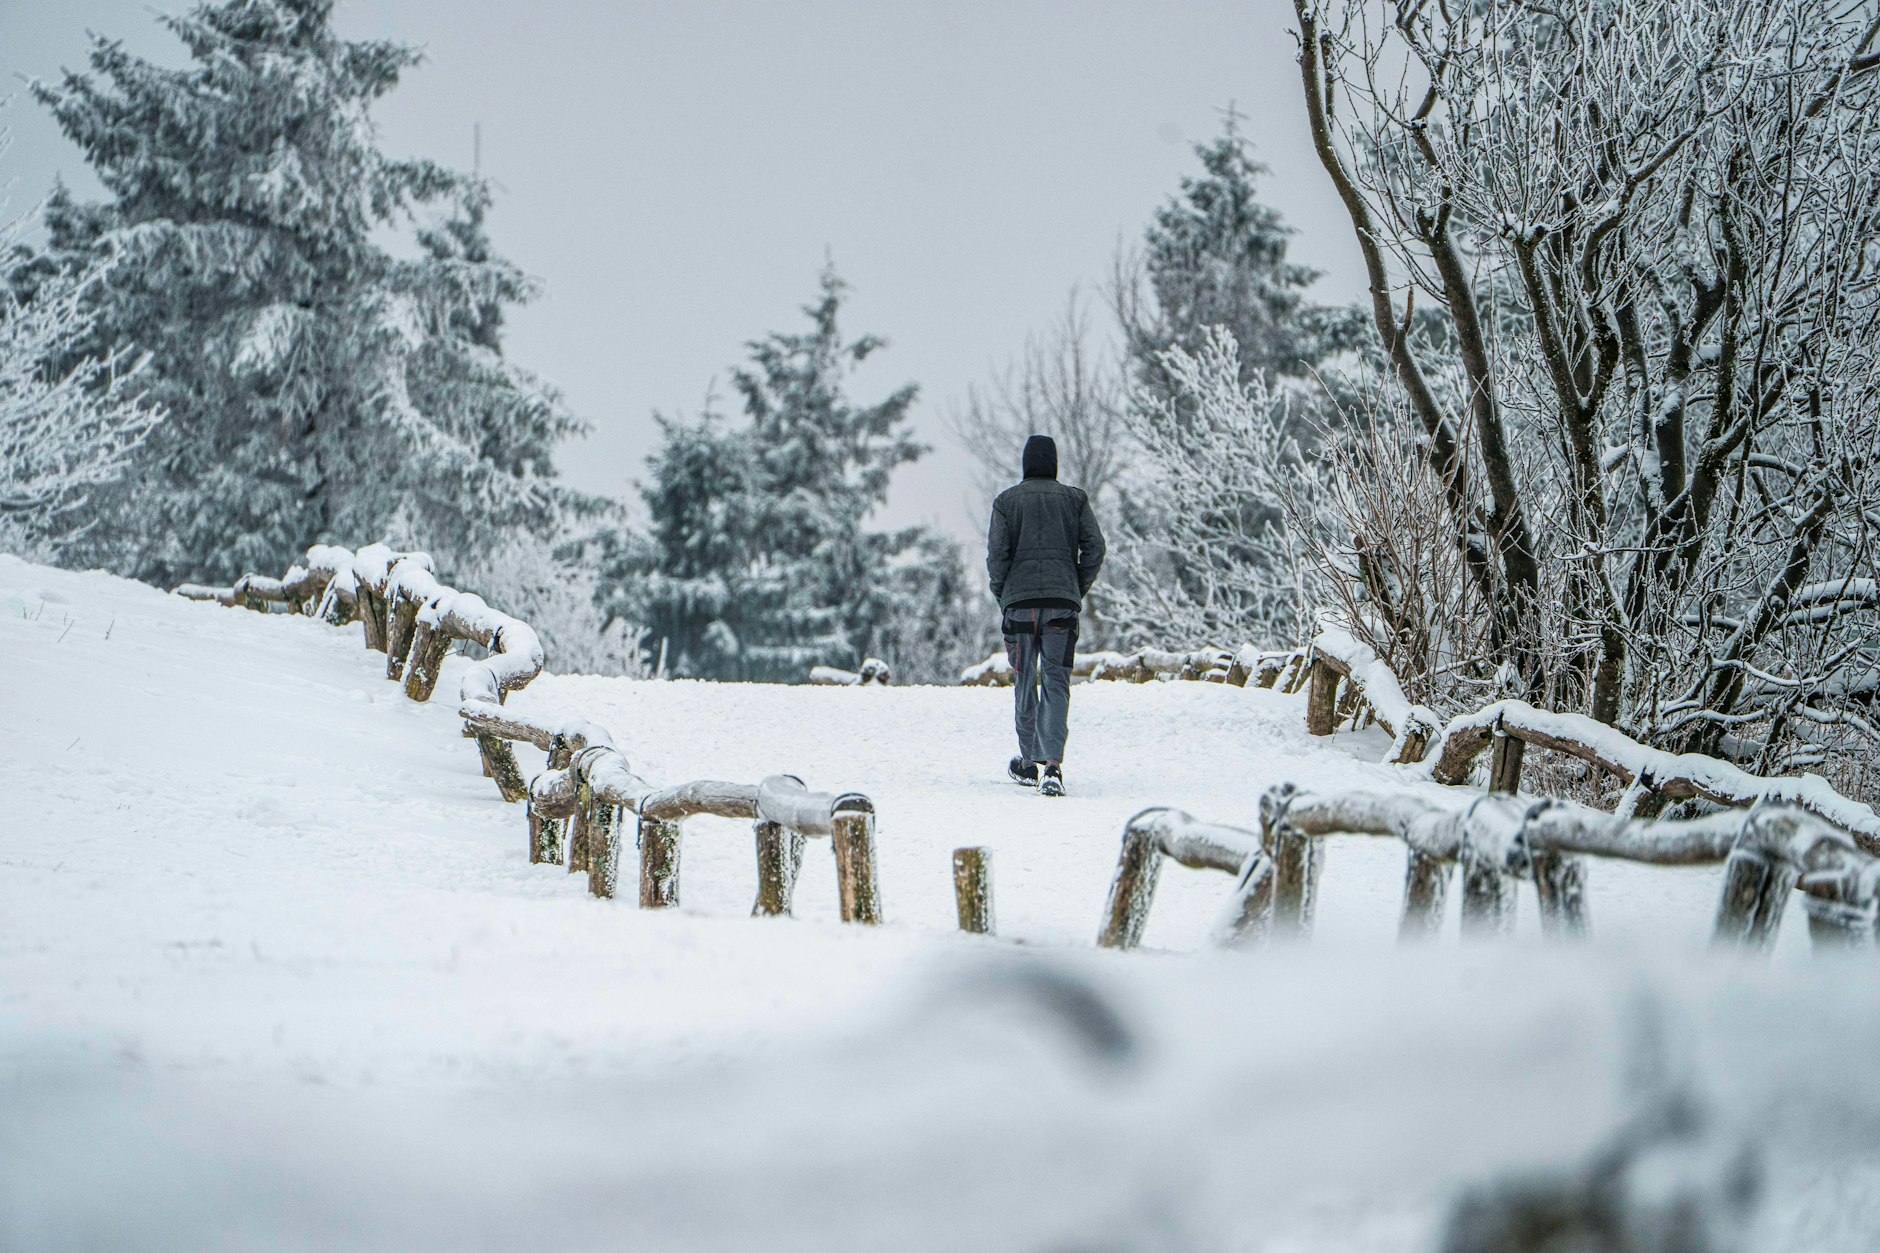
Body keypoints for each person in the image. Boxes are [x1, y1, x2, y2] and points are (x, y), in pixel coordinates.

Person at [985, 434, 1105, 797]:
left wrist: (1004, 595)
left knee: (1024, 678)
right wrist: (1074, 588)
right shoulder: (1075, 499)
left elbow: (996, 556)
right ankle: (1052, 766)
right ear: (1054, 463)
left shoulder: (1006, 502)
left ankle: (1027, 762)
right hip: (1061, 606)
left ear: (1025, 463)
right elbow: (1095, 549)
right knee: (1056, 679)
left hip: (1019, 606)